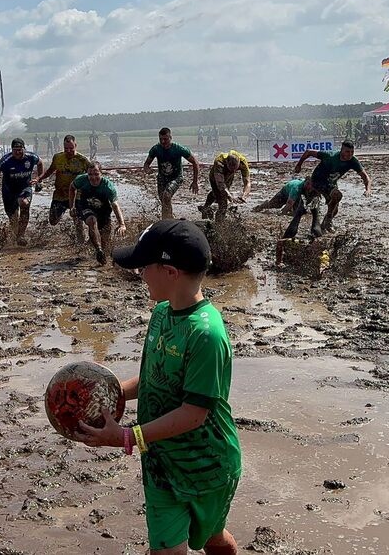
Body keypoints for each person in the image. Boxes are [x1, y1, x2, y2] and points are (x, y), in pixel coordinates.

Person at [75, 219, 241, 555]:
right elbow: (153, 377)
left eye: (144, 267)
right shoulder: (162, 313)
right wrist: (112, 391)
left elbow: (194, 414)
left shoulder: (206, 335)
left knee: (213, 539)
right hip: (162, 463)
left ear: (169, 272)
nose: (139, 275)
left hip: (207, 464)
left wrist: (126, 437)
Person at [293, 140, 370, 232]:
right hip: (318, 180)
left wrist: (368, 189)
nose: (350, 154)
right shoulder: (330, 156)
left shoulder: (353, 161)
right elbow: (308, 152)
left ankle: (323, 226)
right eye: (347, 152)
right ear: (341, 150)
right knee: (337, 195)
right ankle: (328, 221)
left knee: (335, 209)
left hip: (331, 183)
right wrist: (299, 165)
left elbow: (366, 177)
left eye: (352, 152)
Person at [0, 138, 43, 245]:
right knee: (13, 218)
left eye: (20, 149)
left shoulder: (31, 157)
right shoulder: (7, 160)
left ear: (24, 149)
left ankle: (21, 235)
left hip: (25, 187)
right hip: (9, 191)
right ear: (11, 150)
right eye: (15, 150)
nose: (17, 152)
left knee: (24, 203)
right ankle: (15, 236)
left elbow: (40, 163)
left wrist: (40, 179)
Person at [36, 134, 91, 243]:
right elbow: (50, 171)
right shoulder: (58, 157)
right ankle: (67, 230)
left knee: (77, 221)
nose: (69, 151)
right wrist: (39, 178)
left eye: (71, 148)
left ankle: (81, 244)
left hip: (76, 196)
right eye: (66, 148)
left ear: (76, 145)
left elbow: (94, 175)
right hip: (60, 195)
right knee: (53, 220)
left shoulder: (83, 160)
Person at [69, 162, 127, 264]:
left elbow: (115, 205)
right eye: (90, 174)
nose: (93, 177)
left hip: (103, 210)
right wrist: (72, 206)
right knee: (92, 220)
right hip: (85, 206)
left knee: (104, 239)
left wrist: (122, 224)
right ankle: (98, 250)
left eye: (96, 174)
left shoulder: (108, 186)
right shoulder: (81, 180)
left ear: (101, 173)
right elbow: (72, 187)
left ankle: (93, 247)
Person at [144, 127, 200, 219]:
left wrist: (195, 182)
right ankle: (168, 219)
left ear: (170, 138)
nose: (163, 142)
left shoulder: (179, 149)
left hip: (176, 177)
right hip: (162, 178)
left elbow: (195, 162)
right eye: (160, 139)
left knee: (166, 196)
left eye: (165, 139)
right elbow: (146, 164)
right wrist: (147, 170)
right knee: (164, 201)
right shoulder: (156, 149)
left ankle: (168, 220)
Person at [199, 150, 250, 221]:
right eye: (231, 169)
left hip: (229, 177)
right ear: (226, 162)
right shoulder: (219, 161)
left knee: (217, 194)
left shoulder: (243, 162)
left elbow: (247, 182)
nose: (234, 171)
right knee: (222, 199)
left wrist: (244, 196)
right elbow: (220, 184)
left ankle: (205, 208)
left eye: (235, 169)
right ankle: (219, 224)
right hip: (215, 176)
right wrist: (230, 196)